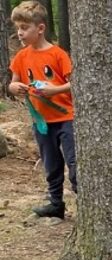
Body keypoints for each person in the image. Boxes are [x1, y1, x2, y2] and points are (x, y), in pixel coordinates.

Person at [9, 0, 76, 219]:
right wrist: (15, 87)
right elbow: (13, 83)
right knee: (51, 163)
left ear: (40, 28)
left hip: (67, 118)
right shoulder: (21, 57)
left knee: (75, 162)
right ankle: (55, 203)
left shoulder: (58, 54)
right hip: (41, 122)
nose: (20, 33)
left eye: (24, 27)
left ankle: (85, 200)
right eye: (18, 28)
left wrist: (54, 90)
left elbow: (75, 83)